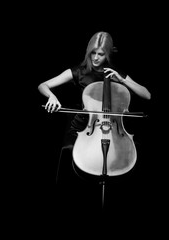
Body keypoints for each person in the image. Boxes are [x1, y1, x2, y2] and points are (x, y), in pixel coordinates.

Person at [38, 31, 151, 215]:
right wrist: (52, 97)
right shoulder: (79, 72)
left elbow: (147, 94)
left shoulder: (115, 73)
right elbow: (43, 85)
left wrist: (122, 80)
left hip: (114, 129)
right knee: (68, 154)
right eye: (93, 53)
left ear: (108, 54)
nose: (97, 58)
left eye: (101, 54)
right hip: (83, 129)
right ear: (88, 52)